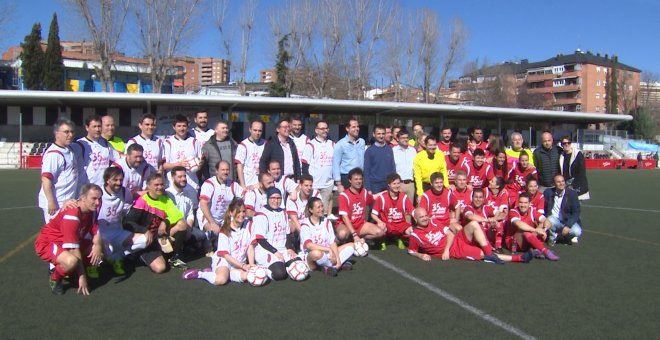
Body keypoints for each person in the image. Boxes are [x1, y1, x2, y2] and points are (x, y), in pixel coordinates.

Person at [34, 183, 104, 295]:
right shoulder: (72, 215)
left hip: (69, 243)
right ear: (82, 198)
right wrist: (82, 277)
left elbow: (96, 232)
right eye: (94, 199)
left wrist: (98, 246)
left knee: (99, 249)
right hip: (49, 243)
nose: (97, 202)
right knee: (71, 261)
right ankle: (55, 277)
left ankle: (72, 274)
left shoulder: (91, 210)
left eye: (99, 199)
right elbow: (73, 250)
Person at [408, 207, 529, 264]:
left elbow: (450, 232)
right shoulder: (415, 235)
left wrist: (445, 250)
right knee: (481, 254)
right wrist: (421, 255)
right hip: (455, 250)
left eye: (425, 216)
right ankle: (518, 258)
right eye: (421, 217)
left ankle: (489, 254)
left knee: (474, 224)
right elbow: (411, 251)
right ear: (415, 219)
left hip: (454, 241)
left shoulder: (433, 221)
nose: (425, 219)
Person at [123, 173, 190, 271]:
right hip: (147, 239)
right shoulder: (141, 201)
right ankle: (139, 254)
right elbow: (128, 223)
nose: (160, 187)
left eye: (162, 184)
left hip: (159, 236)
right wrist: (144, 230)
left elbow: (177, 215)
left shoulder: (165, 199)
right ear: (148, 186)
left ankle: (174, 257)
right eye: (156, 185)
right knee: (160, 268)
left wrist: (165, 222)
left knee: (182, 224)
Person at [182, 198, 256, 285]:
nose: (242, 214)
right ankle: (200, 274)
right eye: (238, 212)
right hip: (224, 260)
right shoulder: (225, 230)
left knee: (248, 277)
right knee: (220, 280)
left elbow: (250, 247)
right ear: (231, 213)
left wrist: (251, 265)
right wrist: (242, 266)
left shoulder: (250, 225)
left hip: (238, 263)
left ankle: (218, 272)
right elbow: (226, 255)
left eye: (243, 211)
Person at [250, 188, 298, 281]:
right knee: (279, 274)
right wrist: (275, 251)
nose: (276, 201)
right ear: (268, 199)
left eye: (278, 198)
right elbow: (260, 239)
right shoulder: (261, 214)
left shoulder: (283, 212)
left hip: (283, 249)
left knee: (299, 266)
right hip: (266, 251)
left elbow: (287, 233)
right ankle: (264, 270)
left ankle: (286, 267)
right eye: (273, 198)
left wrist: (289, 248)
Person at [197, 160, 245, 253]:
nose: (225, 172)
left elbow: (244, 196)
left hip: (223, 217)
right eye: (223, 170)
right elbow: (203, 204)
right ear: (216, 171)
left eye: (227, 170)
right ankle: (207, 241)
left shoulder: (232, 184)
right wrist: (212, 223)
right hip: (207, 215)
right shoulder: (209, 184)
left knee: (233, 234)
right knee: (214, 233)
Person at [39, 118, 80, 223]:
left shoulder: (69, 150)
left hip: (67, 202)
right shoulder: (53, 154)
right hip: (57, 203)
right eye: (66, 132)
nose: (70, 135)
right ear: (56, 133)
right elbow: (46, 179)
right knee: (55, 235)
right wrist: (51, 201)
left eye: (72, 132)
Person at [300, 197, 355, 276]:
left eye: (322, 206)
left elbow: (332, 242)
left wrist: (338, 259)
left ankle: (333, 266)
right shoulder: (305, 225)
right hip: (312, 256)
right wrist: (328, 249)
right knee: (316, 253)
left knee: (351, 246)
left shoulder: (326, 221)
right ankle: (332, 265)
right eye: (318, 207)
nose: (321, 209)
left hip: (328, 254)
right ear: (311, 210)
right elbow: (309, 245)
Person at [96, 167, 136, 276]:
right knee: (95, 253)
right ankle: (106, 259)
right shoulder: (98, 193)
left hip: (117, 232)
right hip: (100, 235)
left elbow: (129, 210)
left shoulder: (125, 192)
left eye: (120, 180)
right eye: (115, 180)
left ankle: (115, 258)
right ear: (107, 180)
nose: (119, 183)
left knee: (145, 240)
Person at [335, 167, 385, 243]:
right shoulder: (344, 196)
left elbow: (373, 197)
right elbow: (344, 218)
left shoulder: (364, 192)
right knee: (342, 234)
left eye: (360, 179)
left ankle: (361, 240)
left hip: (360, 225)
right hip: (346, 225)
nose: (358, 181)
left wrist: (386, 191)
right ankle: (343, 239)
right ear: (350, 180)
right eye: (356, 179)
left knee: (380, 232)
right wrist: (354, 234)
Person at [507, 193, 559, 261]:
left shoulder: (532, 210)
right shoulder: (513, 212)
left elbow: (546, 220)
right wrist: (536, 230)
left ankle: (536, 250)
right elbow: (519, 224)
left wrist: (543, 230)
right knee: (526, 232)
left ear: (529, 204)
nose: (523, 205)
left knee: (539, 230)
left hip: (528, 239)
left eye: (525, 203)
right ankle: (545, 251)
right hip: (513, 242)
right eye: (520, 202)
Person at [302, 120, 336, 219]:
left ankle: (322, 231)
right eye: (322, 128)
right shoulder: (310, 145)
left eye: (326, 128)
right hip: (314, 184)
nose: (324, 130)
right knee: (311, 210)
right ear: (316, 130)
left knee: (323, 211)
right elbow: (305, 164)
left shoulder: (333, 144)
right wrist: (307, 181)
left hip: (328, 183)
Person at [371, 173, 414, 250]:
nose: (396, 186)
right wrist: (379, 221)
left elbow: (412, 212)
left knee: (413, 232)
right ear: (389, 185)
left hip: (401, 224)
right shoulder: (382, 198)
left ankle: (400, 238)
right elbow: (373, 214)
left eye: (398, 183)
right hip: (387, 224)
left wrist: (419, 220)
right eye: (394, 184)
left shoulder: (404, 197)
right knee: (380, 228)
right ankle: (382, 240)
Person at [72, 115, 119, 187]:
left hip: (102, 188)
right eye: (94, 127)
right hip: (86, 188)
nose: (97, 129)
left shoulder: (105, 143)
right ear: (87, 128)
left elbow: (117, 158)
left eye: (99, 126)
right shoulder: (79, 144)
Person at [163, 114, 202, 190]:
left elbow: (200, 161)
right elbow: (164, 166)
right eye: (179, 126)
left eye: (184, 126)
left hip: (192, 184)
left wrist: (198, 164)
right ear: (174, 127)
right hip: (173, 185)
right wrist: (180, 164)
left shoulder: (194, 142)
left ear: (188, 127)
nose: (182, 128)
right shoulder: (167, 143)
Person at [543, 174, 582, 244]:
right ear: (554, 184)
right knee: (549, 219)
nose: (561, 183)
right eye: (558, 182)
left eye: (562, 181)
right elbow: (544, 207)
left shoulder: (572, 194)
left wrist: (568, 225)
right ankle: (552, 238)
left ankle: (561, 236)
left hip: (567, 220)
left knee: (577, 231)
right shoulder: (548, 192)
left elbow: (576, 212)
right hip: (554, 219)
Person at [332, 118, 365, 191]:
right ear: (347, 128)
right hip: (346, 178)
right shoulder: (340, 144)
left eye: (357, 126)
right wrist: (339, 183)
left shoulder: (362, 142)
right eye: (353, 127)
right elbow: (335, 164)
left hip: (359, 177)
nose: (357, 129)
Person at [413, 135, 449, 201]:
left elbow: (443, 170)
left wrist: (446, 185)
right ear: (425, 145)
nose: (432, 147)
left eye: (434, 145)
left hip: (438, 185)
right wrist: (420, 194)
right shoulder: (418, 157)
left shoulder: (440, 154)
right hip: (425, 186)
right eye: (430, 145)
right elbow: (418, 177)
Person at [363, 124, 395, 194]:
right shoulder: (369, 151)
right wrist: (368, 188)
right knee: (375, 205)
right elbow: (366, 171)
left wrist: (394, 183)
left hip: (388, 184)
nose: (381, 136)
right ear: (374, 134)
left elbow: (393, 167)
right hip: (375, 185)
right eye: (378, 134)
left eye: (383, 134)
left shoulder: (389, 149)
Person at [165, 166, 199, 233]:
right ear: (172, 178)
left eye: (184, 176)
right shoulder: (167, 194)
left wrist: (189, 228)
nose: (183, 179)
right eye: (180, 177)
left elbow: (190, 214)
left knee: (202, 236)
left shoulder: (187, 194)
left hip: (186, 227)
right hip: (172, 228)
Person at [234, 119, 265, 190]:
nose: (257, 133)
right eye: (255, 130)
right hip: (248, 183)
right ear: (250, 130)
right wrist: (242, 185)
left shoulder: (265, 144)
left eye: (259, 131)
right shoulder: (243, 145)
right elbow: (239, 166)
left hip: (262, 183)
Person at [559, 136, 590, 200]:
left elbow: (582, 172)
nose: (567, 144)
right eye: (564, 143)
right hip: (566, 186)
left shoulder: (578, 154)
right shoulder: (561, 156)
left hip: (577, 185)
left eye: (568, 142)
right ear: (561, 145)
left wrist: (574, 184)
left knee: (576, 207)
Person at [392, 129, 417, 204]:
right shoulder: (393, 151)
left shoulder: (413, 151)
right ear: (397, 139)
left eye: (406, 138)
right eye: (403, 138)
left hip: (411, 184)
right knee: (398, 207)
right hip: (399, 184)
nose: (405, 140)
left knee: (409, 209)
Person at [484, 176, 510, 250]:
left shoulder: (503, 194)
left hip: (495, 220)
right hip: (486, 220)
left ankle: (498, 246)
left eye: (492, 181)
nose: (489, 182)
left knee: (500, 223)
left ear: (497, 186)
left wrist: (494, 219)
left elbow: (504, 214)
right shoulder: (485, 191)